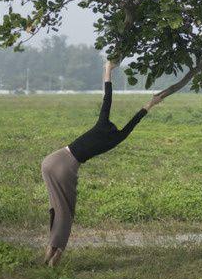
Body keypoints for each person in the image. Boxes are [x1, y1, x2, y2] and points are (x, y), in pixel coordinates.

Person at [41, 59, 162, 267]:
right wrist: (151, 104)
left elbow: (108, 96)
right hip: (67, 167)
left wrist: (108, 69)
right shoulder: (117, 138)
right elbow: (134, 122)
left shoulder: (101, 124)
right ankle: (55, 259)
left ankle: (46, 255)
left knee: (56, 208)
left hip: (52, 159)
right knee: (66, 213)